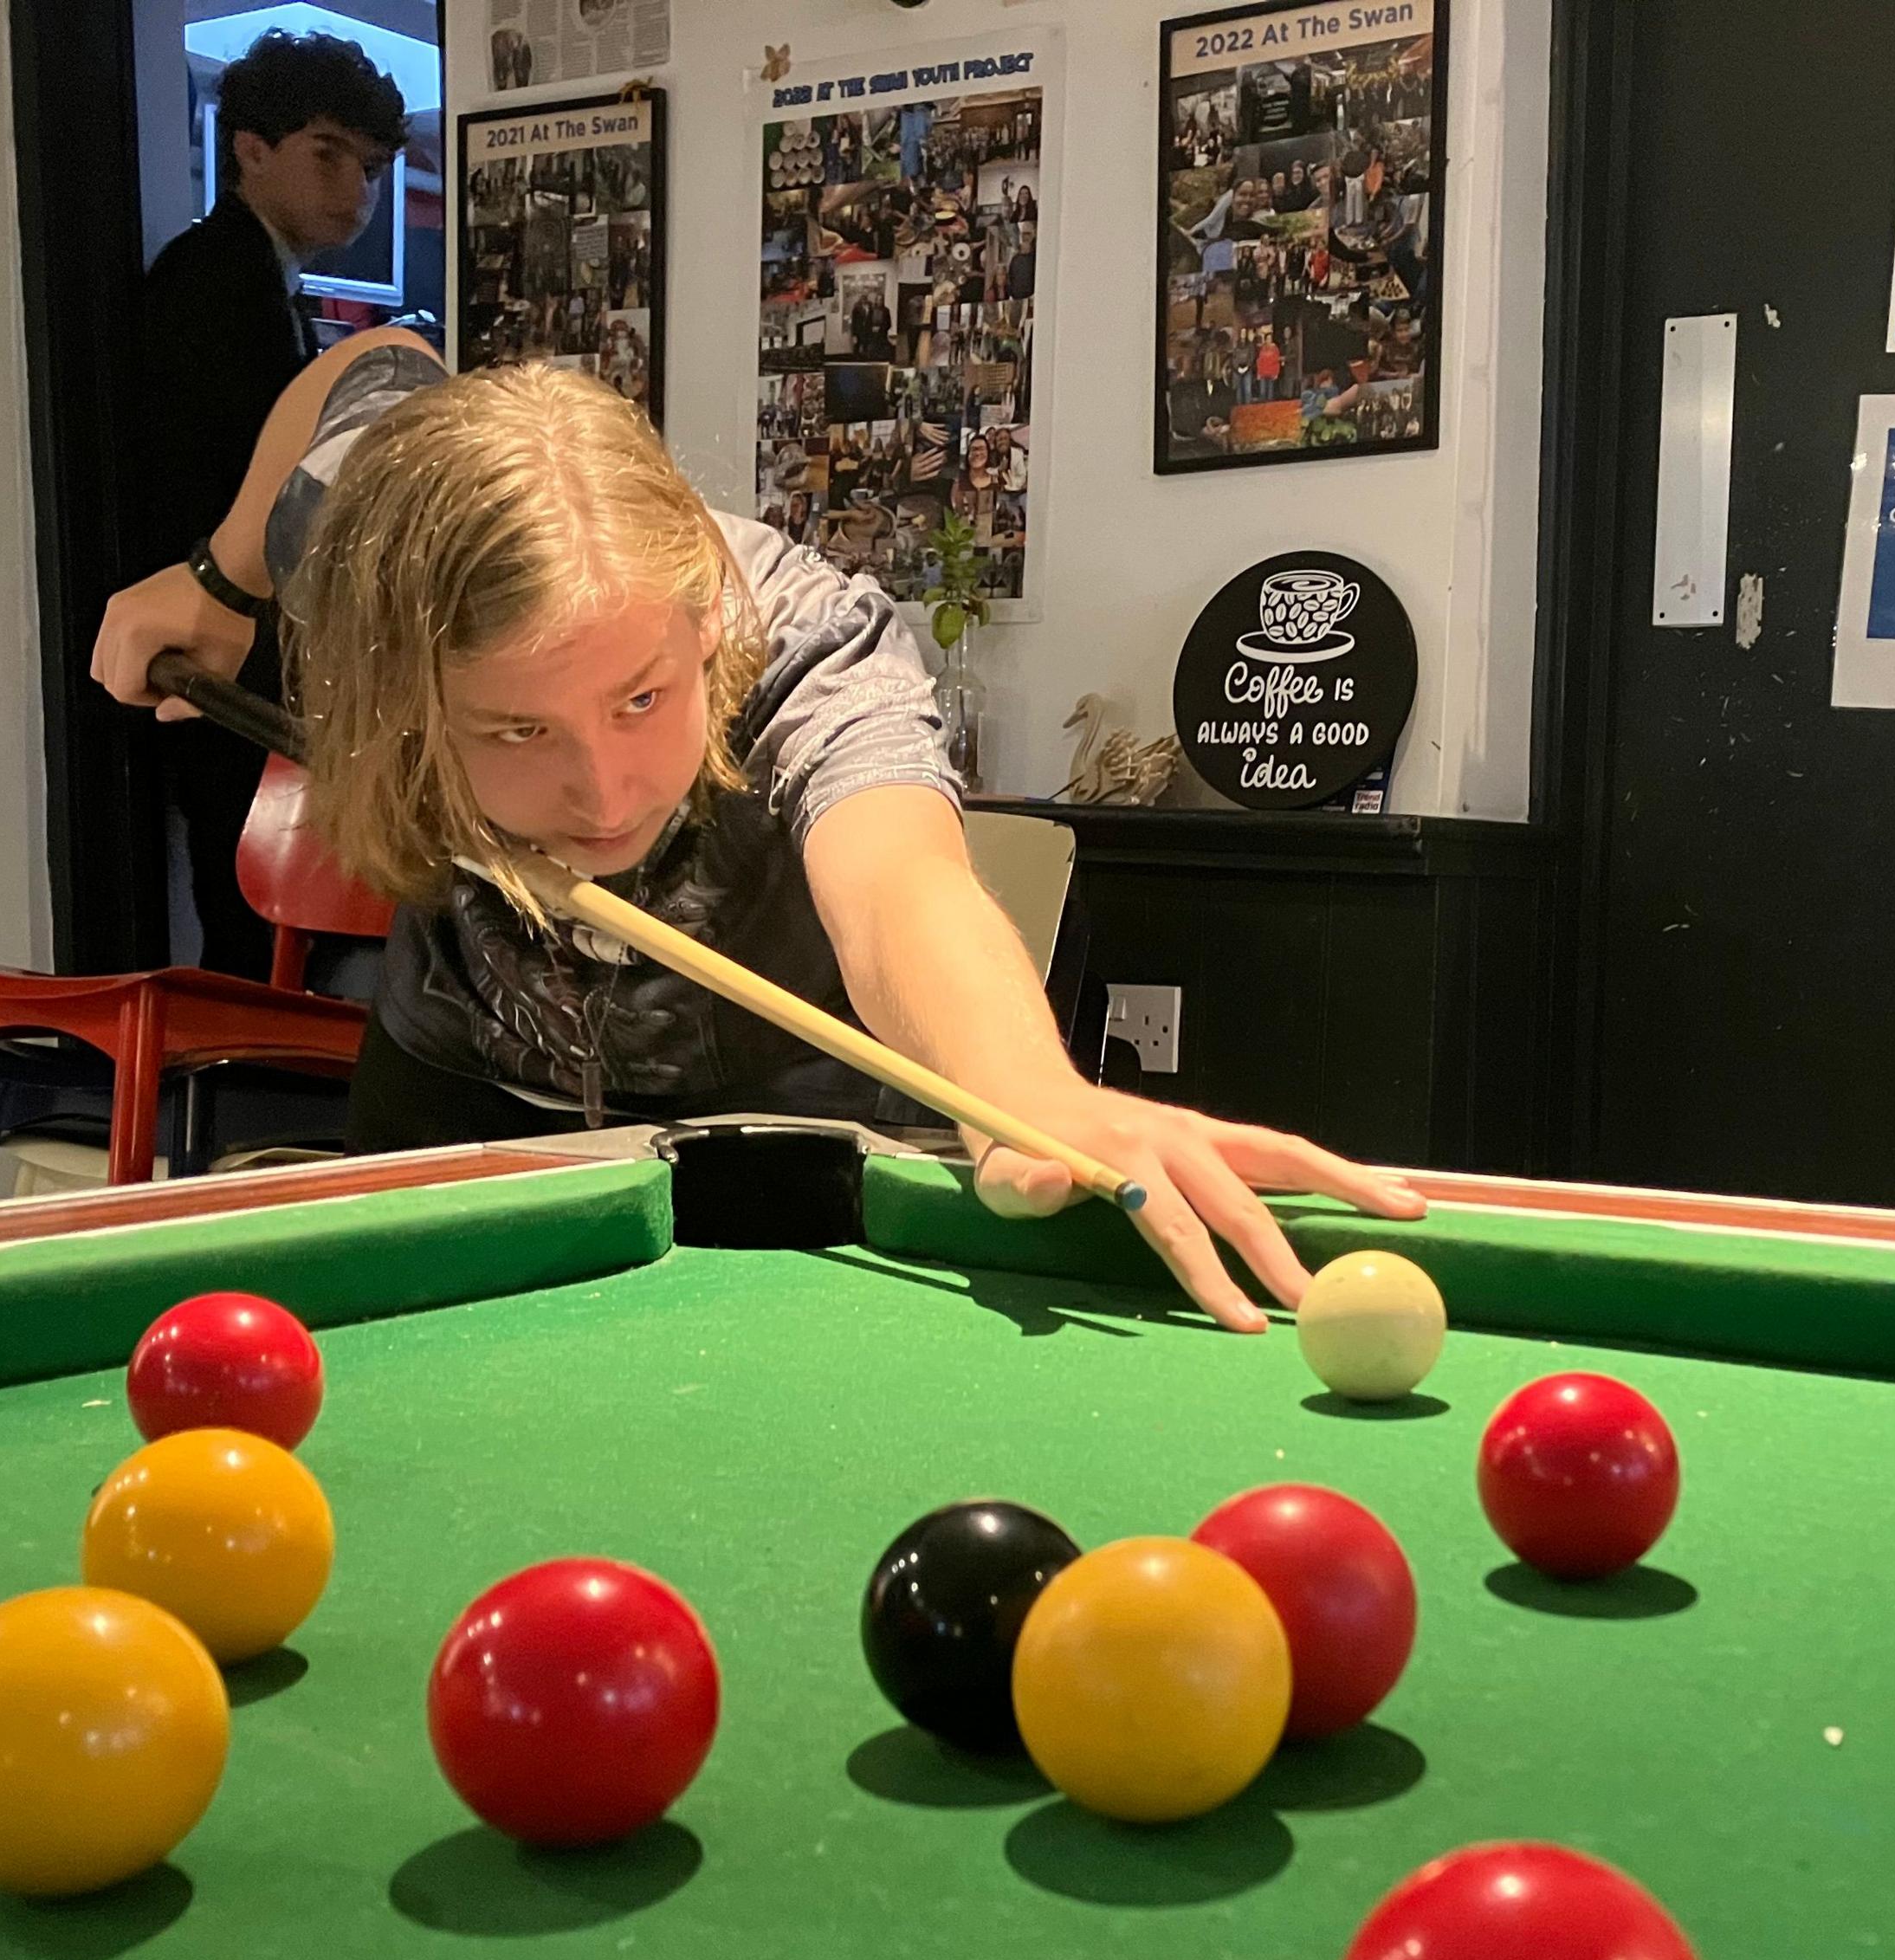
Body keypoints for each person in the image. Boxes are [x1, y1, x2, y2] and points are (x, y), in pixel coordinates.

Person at [90, 335, 1420, 1326]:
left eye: (641, 700)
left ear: (706, 627)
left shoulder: (807, 640)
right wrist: (214, 578)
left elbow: (903, 888)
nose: (606, 794)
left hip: (784, 1120)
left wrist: (1035, 1098)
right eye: (516, 732)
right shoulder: (356, 551)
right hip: (464, 1072)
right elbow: (376, 362)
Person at [138, 31, 404, 978]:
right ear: (250, 148)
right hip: (225, 639)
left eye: (369, 168)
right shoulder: (216, 279)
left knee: (260, 916)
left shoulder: (263, 280)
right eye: (327, 154)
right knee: (252, 920)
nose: (356, 191)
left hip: (250, 643)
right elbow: (230, 478)